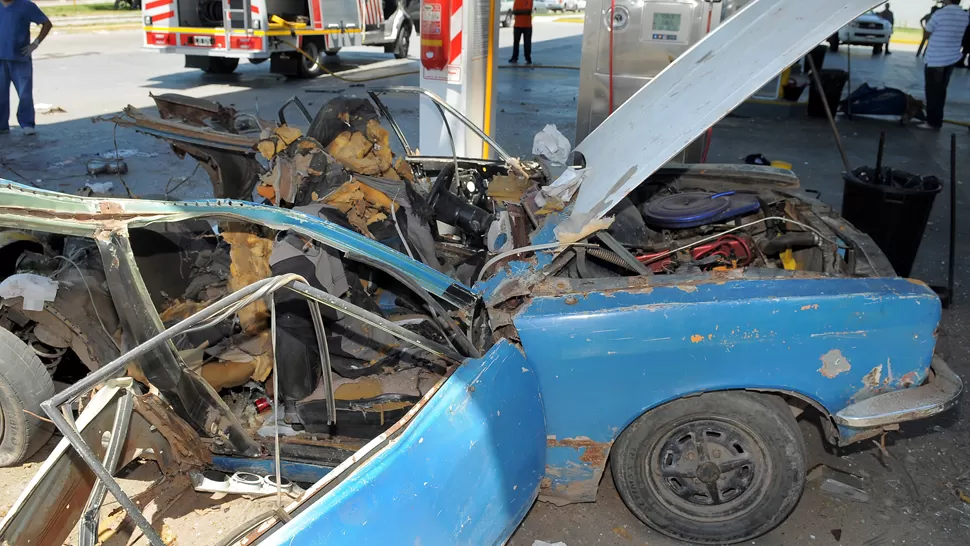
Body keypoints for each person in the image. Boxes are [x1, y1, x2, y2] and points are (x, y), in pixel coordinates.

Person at [0, 0, 51, 136]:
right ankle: (2, 125)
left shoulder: (26, 6)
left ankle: (27, 123)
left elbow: (47, 24)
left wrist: (35, 44)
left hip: (20, 58)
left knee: (25, 94)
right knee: (1, 94)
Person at [921, 0, 969, 129]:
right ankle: (937, 120)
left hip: (935, 59)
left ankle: (932, 122)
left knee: (932, 92)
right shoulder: (965, 15)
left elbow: (927, 33)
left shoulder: (939, 14)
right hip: (951, 59)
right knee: (941, 91)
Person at [509, 0, 533, 64]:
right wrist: (523, 11)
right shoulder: (516, 1)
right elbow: (514, 11)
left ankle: (528, 58)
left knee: (527, 43)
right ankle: (514, 57)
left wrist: (518, 11)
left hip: (527, 25)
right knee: (516, 42)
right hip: (517, 25)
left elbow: (528, 11)